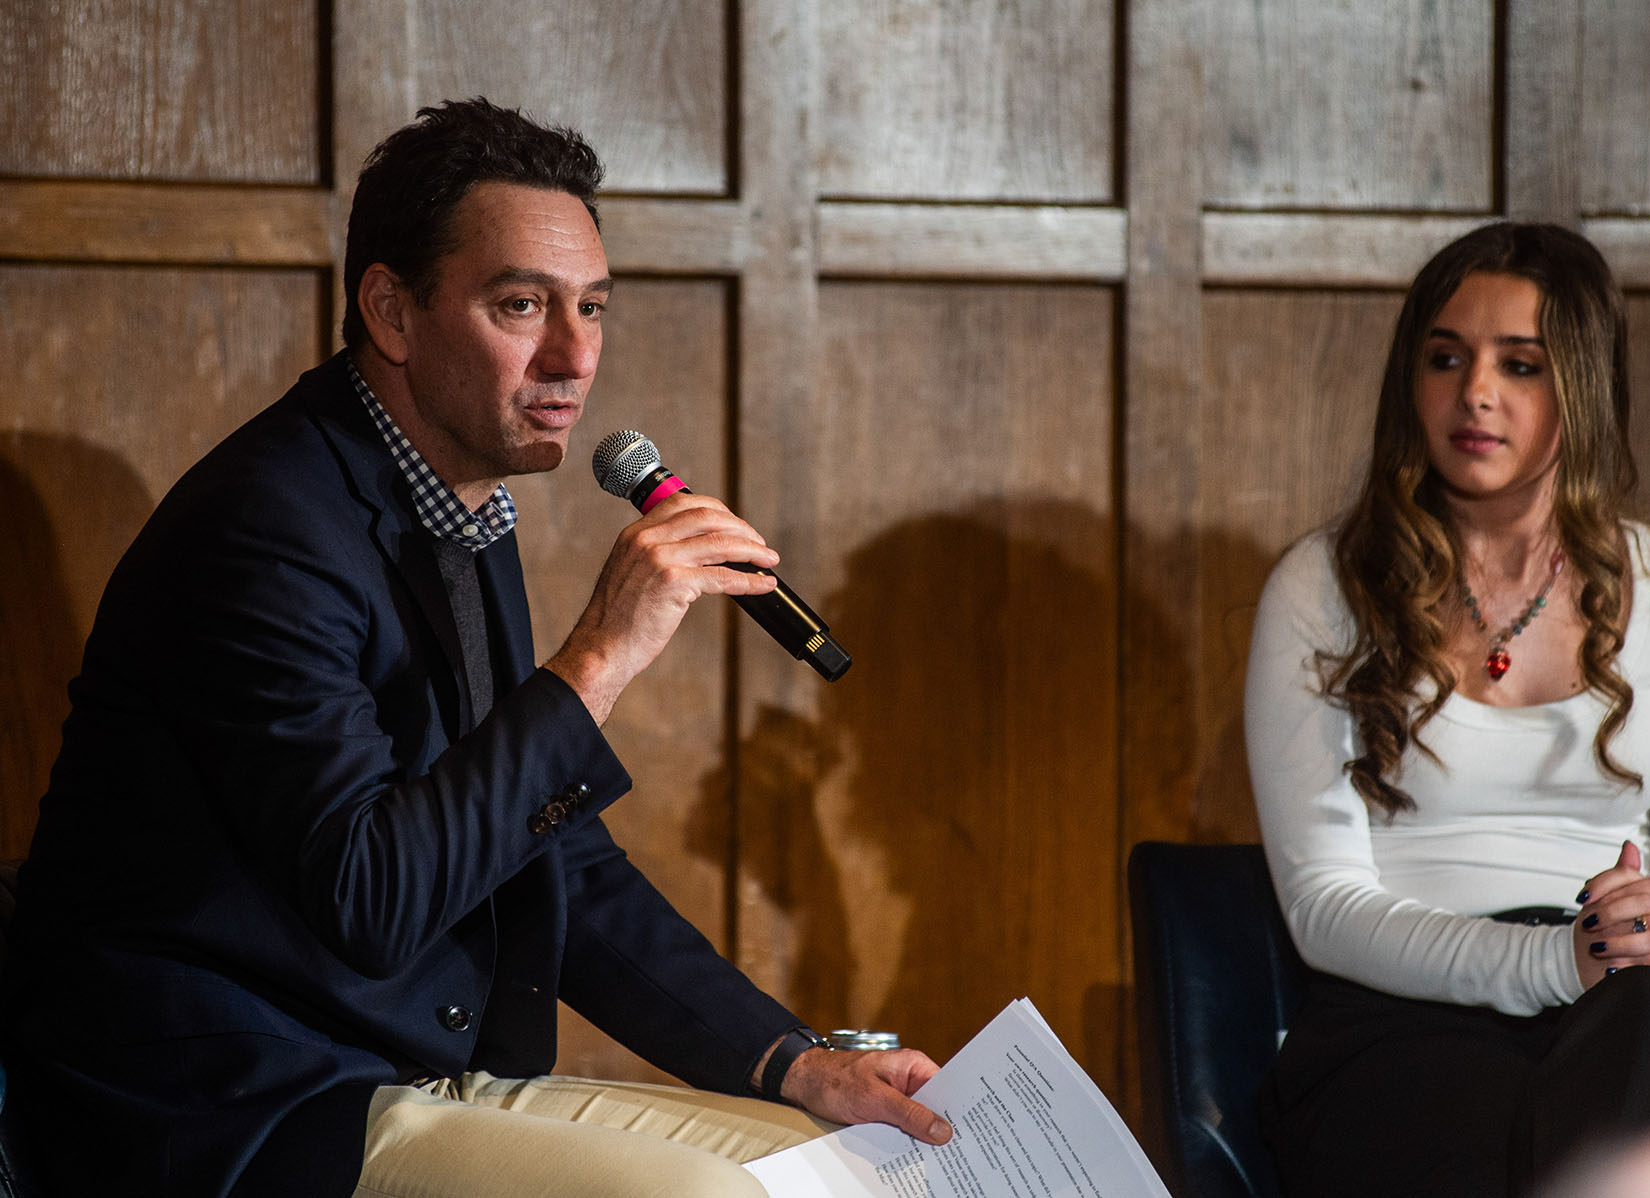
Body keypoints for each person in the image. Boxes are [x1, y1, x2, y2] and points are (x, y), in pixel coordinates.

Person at [0, 97, 950, 1198]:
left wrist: (796, 1062)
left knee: (845, 1167)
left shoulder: (456, 501)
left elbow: (551, 853)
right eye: (520, 305)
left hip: (402, 1063)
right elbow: (370, 896)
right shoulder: (263, 534)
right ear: (392, 312)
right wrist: (600, 654)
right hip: (233, 1101)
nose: (573, 356)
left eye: (591, 306)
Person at [1243, 221, 1650, 1198]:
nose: (1474, 393)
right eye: (1445, 357)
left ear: (1583, 386)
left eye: (1519, 365)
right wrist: (1558, 960)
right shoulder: (1324, 588)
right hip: (1400, 1021)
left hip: (1628, 1014)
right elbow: (1324, 910)